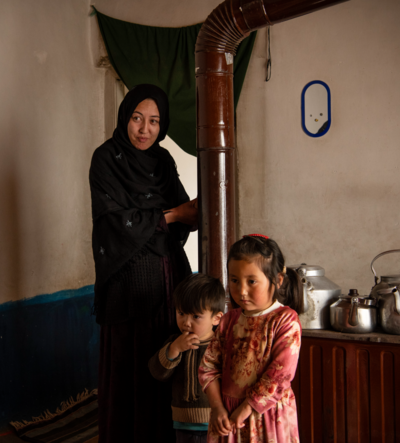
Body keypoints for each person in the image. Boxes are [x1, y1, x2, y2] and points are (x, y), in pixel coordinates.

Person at [89, 84, 198, 443]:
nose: (144, 129)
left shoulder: (163, 162)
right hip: (128, 290)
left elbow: (184, 213)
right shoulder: (106, 159)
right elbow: (115, 224)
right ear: (125, 117)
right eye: (137, 118)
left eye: (154, 121)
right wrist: (172, 215)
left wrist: (195, 211)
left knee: (166, 363)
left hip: (168, 286)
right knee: (132, 370)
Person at [198, 234, 304, 443]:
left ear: (278, 281)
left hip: (266, 416)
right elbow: (208, 366)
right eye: (235, 280)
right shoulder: (229, 320)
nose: (241, 291)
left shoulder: (285, 320)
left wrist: (245, 409)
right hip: (227, 417)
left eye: (252, 281)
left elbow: (279, 375)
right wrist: (218, 408)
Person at [148, 273, 226, 443]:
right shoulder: (174, 342)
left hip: (215, 421)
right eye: (181, 313)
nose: (186, 322)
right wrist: (174, 349)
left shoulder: (222, 345)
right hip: (182, 423)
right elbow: (157, 372)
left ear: (216, 318)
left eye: (196, 316)